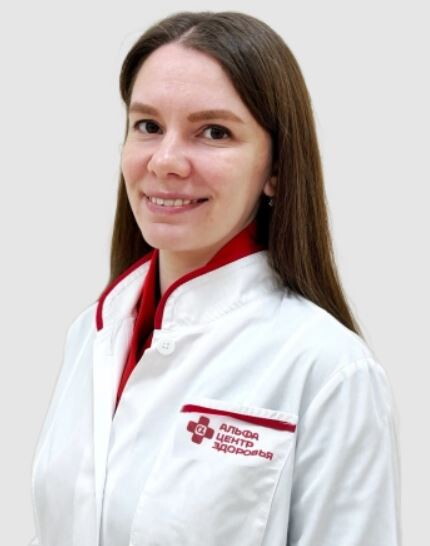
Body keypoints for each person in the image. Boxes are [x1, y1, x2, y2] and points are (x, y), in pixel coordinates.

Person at [29, 11, 402, 546]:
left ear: (276, 169)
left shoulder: (329, 369)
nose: (166, 161)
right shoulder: (91, 334)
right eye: (148, 126)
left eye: (213, 132)